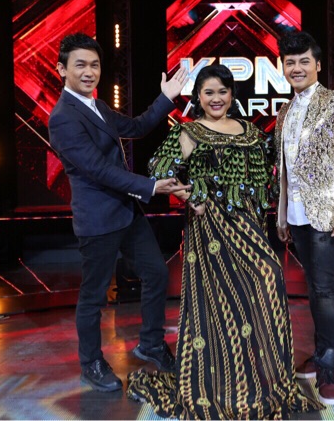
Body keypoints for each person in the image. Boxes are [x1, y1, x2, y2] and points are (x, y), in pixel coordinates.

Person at [126, 64, 323, 419]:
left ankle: (263, 380)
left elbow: (273, 174)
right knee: (219, 303)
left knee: (267, 280)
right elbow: (159, 169)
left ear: (232, 95)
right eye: (208, 93)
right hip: (210, 228)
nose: (216, 98)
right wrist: (190, 197)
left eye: (222, 91)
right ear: (198, 98)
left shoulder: (251, 132)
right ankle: (221, 385)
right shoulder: (190, 132)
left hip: (250, 225)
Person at [48, 33, 191, 392]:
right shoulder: (63, 117)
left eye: (94, 65)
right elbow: (98, 170)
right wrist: (151, 186)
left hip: (125, 212)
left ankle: (151, 343)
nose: (89, 72)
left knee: (156, 273)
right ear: (62, 69)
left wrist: (166, 98)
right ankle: (91, 363)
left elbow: (137, 127)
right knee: (94, 296)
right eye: (80, 65)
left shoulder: (96, 105)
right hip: (98, 220)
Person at [274, 31, 334, 405]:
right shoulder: (284, 112)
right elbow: (284, 169)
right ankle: (322, 350)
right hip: (296, 215)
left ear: (317, 64)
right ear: (283, 67)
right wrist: (282, 216)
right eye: (290, 62)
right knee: (315, 287)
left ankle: (329, 364)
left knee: (326, 289)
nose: (296, 68)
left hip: (327, 214)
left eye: (303, 61)